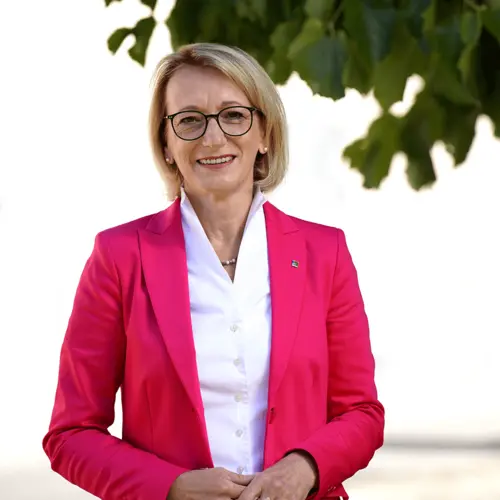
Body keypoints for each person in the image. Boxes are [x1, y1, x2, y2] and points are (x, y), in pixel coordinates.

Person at [42, 43, 384, 500]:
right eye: (189, 120)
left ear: (265, 134)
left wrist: (305, 468)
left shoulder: (325, 252)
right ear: (166, 144)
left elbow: (361, 413)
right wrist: (170, 487)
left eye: (234, 115)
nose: (213, 138)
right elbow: (70, 434)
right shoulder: (118, 257)